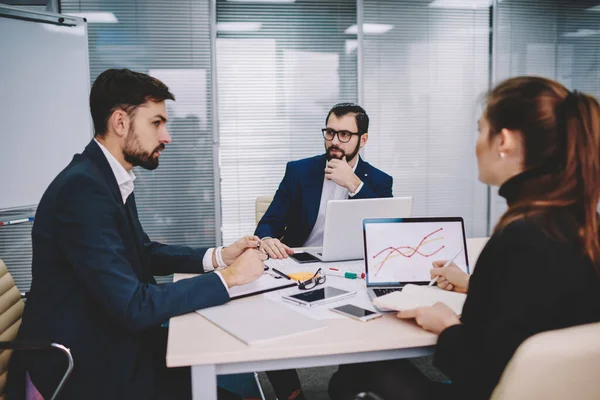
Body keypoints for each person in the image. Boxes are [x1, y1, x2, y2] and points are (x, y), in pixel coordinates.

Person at [328, 76, 600, 400]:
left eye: (480, 129)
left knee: (354, 371)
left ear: (505, 142)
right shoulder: (582, 222)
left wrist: (446, 326)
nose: (476, 144)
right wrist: (474, 283)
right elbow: (551, 303)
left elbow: (479, 370)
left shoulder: (519, 238)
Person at [8, 68, 266, 400]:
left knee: (210, 357)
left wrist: (219, 257)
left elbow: (141, 251)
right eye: (156, 123)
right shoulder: (83, 190)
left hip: (110, 335)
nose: (167, 136)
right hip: (86, 365)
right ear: (120, 123)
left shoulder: (103, 177)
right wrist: (229, 277)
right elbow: (134, 306)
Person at [255, 103, 393, 260]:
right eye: (330, 132)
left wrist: (354, 184)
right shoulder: (299, 171)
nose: (334, 141)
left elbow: (386, 231)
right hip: (300, 259)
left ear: (363, 140)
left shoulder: (380, 180)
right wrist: (266, 240)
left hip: (354, 262)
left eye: (344, 134)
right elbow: (269, 223)